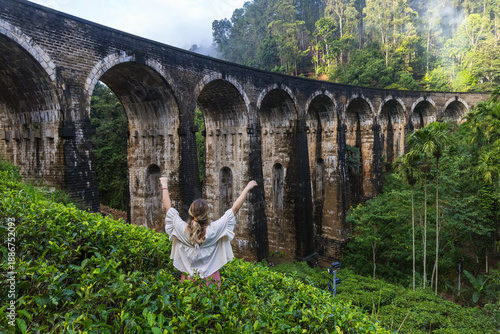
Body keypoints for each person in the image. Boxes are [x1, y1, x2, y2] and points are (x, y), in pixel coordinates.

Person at [159, 177, 257, 288]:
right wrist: (247, 188)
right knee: (211, 304)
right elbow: (234, 209)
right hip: (211, 280)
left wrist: (164, 185)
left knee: (189, 304)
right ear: (206, 214)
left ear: (190, 213)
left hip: (188, 281)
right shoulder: (213, 231)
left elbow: (167, 208)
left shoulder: (183, 230)